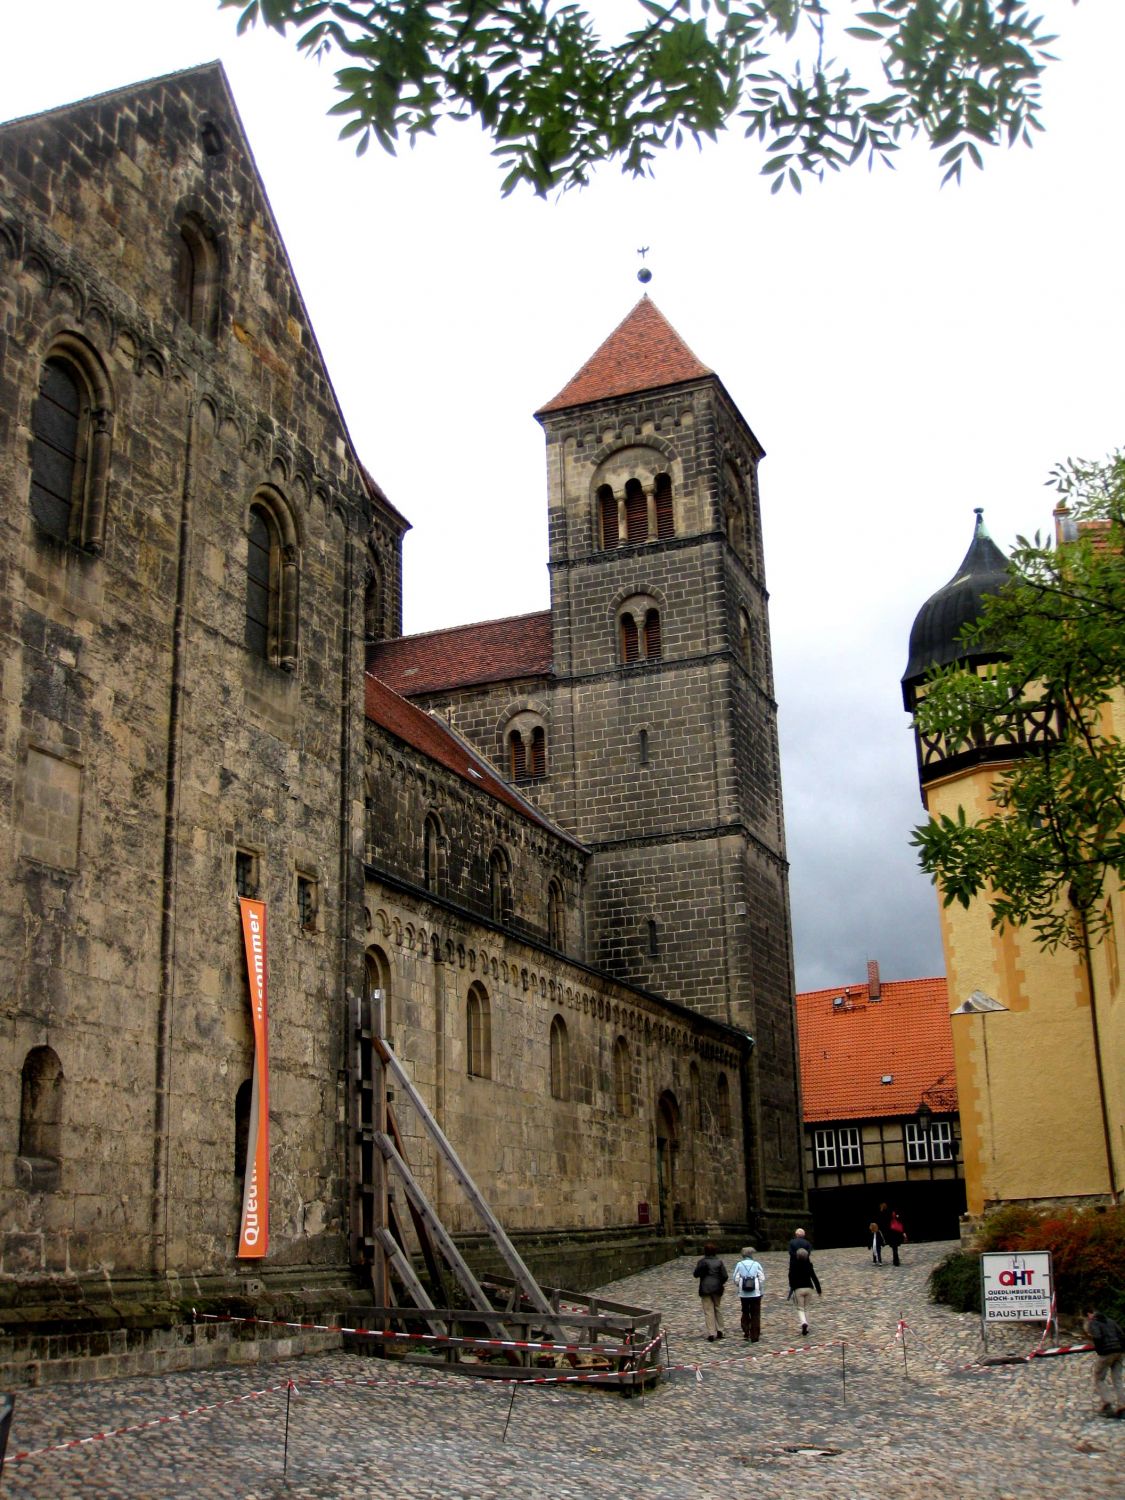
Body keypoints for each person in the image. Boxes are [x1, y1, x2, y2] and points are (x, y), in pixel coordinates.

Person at [1085, 1305, 1125, 1417]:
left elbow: (1097, 1337)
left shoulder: (1093, 1323)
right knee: (1117, 1379)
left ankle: (1107, 1404)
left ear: (1089, 1314)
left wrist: (1100, 1351)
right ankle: (1123, 1406)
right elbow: (1122, 1335)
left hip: (1107, 1353)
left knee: (1099, 1378)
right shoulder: (1111, 1321)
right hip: (1119, 1352)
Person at [692, 1241, 728, 1342]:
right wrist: (720, 1282)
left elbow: (696, 1274)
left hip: (705, 1288)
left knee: (708, 1311)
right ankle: (721, 1330)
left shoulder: (702, 1262)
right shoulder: (719, 1262)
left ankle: (711, 1333)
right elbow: (725, 1276)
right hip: (717, 1288)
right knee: (717, 1308)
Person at [732, 1245, 766, 1342]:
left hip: (743, 1293)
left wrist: (740, 1285)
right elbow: (762, 1278)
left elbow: (735, 1278)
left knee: (745, 1312)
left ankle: (746, 1330)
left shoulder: (739, 1264)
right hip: (755, 1293)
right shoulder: (756, 1264)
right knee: (755, 1313)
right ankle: (755, 1335)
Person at [787, 1245, 821, 1337]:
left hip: (798, 1289)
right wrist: (819, 1289)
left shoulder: (793, 1265)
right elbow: (814, 1277)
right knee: (807, 1308)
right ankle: (807, 1327)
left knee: (800, 1308)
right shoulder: (809, 1265)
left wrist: (792, 1286)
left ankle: (803, 1323)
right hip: (809, 1288)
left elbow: (790, 1276)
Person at [878, 1202, 905, 1267]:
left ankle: (896, 1261)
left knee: (894, 1246)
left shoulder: (882, 1213)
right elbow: (897, 1218)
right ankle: (896, 1261)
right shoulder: (891, 1211)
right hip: (894, 1231)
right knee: (895, 1247)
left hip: (889, 1232)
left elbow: (882, 1224)